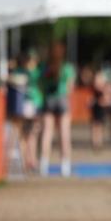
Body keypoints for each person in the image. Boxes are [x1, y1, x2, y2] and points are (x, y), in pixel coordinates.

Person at [39, 42, 76, 177]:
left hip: (48, 99)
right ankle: (65, 166)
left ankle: (44, 165)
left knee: (46, 133)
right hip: (62, 100)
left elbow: (40, 83)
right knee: (64, 134)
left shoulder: (45, 67)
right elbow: (70, 87)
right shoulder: (67, 67)